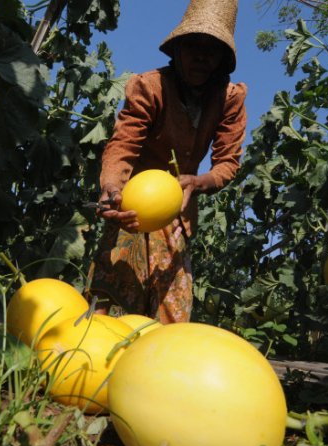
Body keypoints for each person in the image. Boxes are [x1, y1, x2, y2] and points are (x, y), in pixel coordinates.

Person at [87, 0, 247, 324]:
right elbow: (123, 143)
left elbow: (227, 162)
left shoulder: (229, 99)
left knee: (170, 320)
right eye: (193, 46)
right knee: (111, 311)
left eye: (212, 49)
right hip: (132, 207)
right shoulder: (150, 87)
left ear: (221, 60)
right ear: (177, 49)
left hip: (177, 214)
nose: (201, 56)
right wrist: (112, 189)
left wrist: (198, 182)